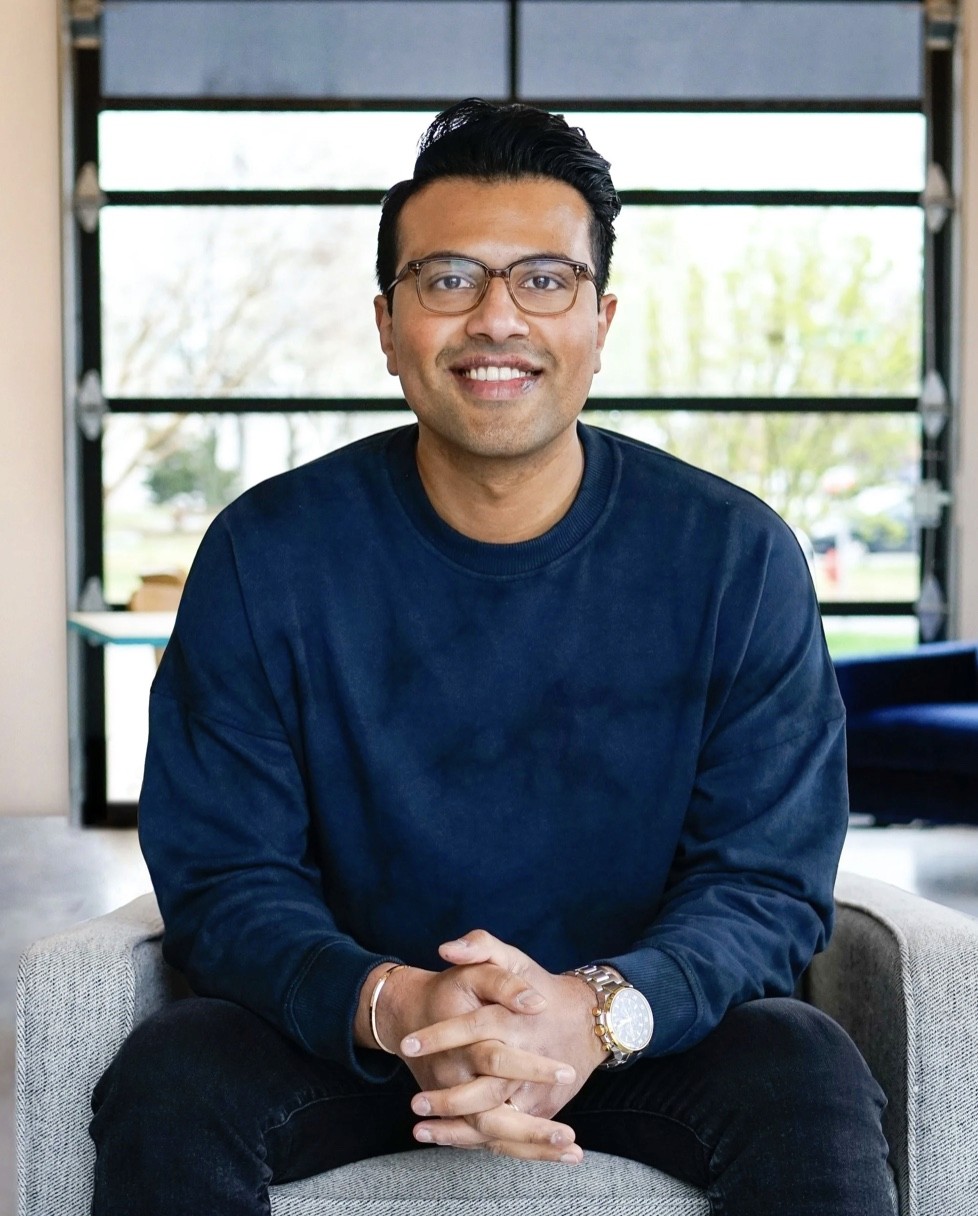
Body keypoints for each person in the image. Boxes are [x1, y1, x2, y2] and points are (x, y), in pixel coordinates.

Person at [90, 99, 896, 1215]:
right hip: (353, 1030)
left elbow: (764, 878)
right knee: (173, 1075)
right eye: (450, 278)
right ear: (388, 322)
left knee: (804, 1065)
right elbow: (226, 876)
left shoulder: (734, 556)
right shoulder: (265, 556)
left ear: (600, 318)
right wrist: (397, 1004)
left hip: (633, 1033)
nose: (497, 318)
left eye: (544, 280)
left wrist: (596, 1010)